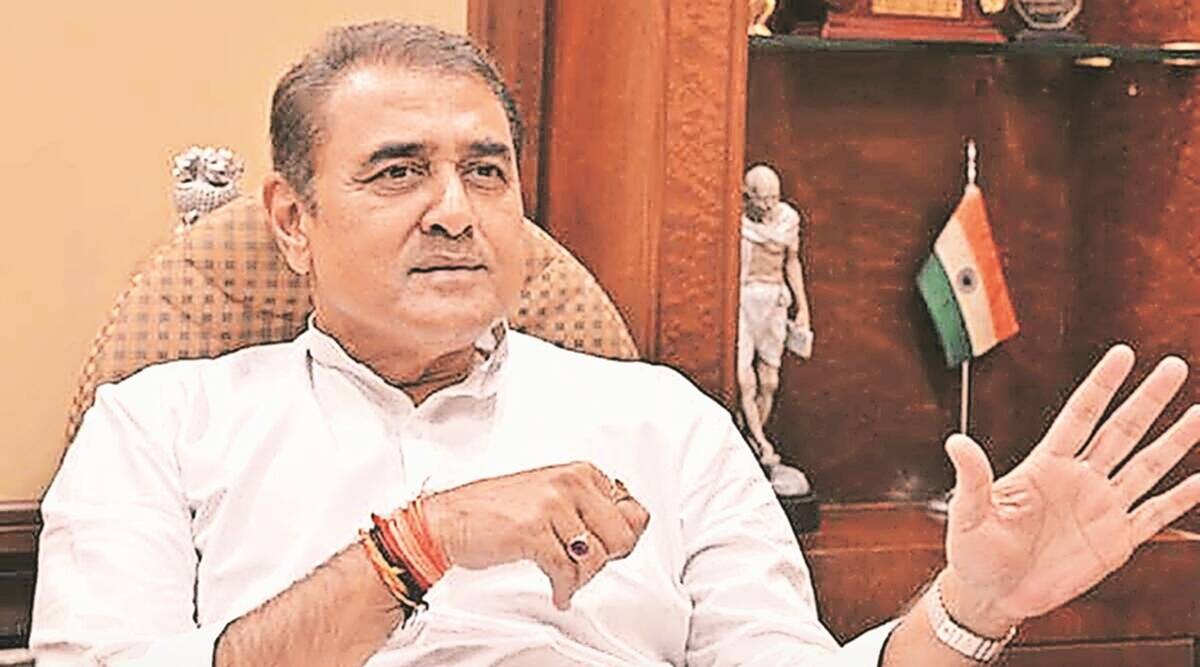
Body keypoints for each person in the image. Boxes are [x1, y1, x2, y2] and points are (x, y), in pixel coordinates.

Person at [30, 21, 1200, 667]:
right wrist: (415, 547)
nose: (454, 211)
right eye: (397, 171)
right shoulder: (160, 425)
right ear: (292, 220)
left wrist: (968, 612)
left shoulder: (663, 421)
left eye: (486, 170)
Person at [737, 164, 812, 472]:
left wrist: (803, 308)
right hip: (744, 300)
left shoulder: (787, 220)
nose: (769, 206)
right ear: (747, 196)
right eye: (762, 199)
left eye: (774, 198)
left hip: (774, 301)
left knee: (769, 381)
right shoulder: (738, 222)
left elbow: (792, 262)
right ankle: (761, 443)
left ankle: (751, 439)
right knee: (744, 379)